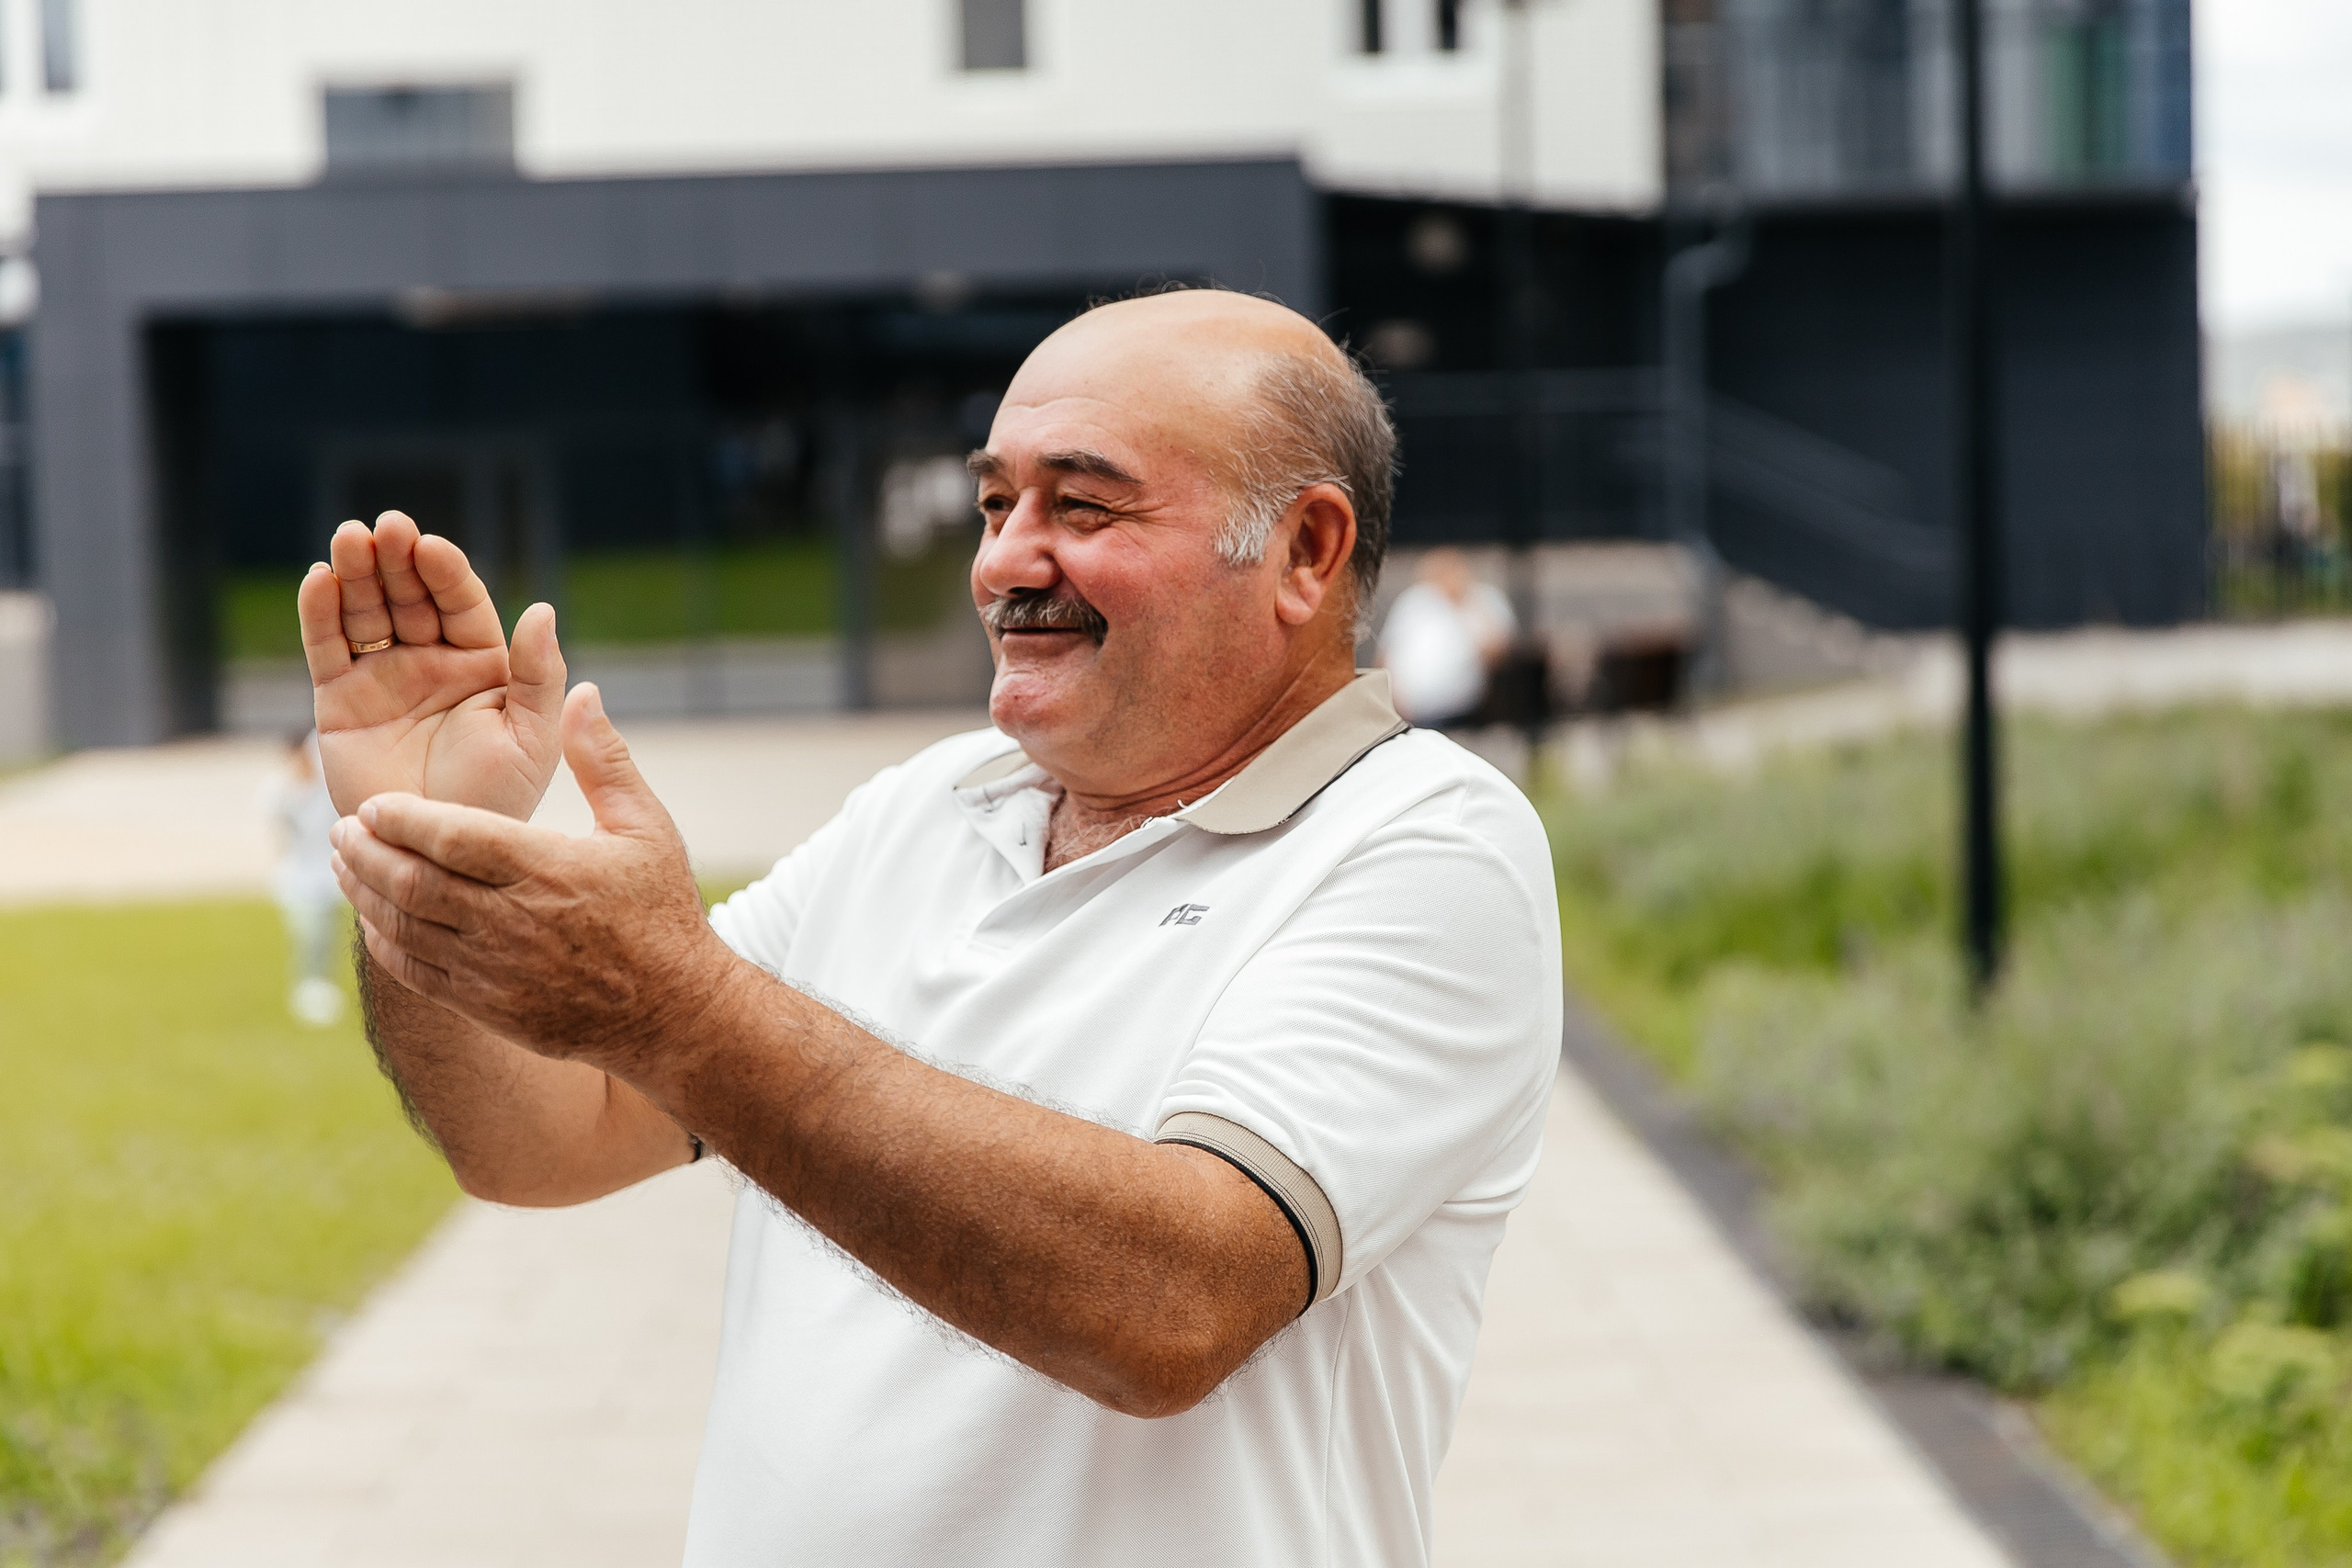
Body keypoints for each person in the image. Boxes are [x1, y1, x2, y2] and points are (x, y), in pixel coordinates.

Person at [299, 289, 1560, 1567]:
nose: (1004, 562)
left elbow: (1174, 1303)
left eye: (1083, 506)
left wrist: (674, 1005)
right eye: (995, 503)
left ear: (1305, 550)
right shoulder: (928, 803)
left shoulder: (1424, 844)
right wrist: (425, 843)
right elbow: (546, 1141)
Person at [1378, 546, 1517, 728]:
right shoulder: (1415, 599)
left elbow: (1498, 653)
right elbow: (1385, 654)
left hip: (1460, 714)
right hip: (1409, 714)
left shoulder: (1483, 599)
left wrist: (1462, 603)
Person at [262, 727, 345, 1026]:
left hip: (329, 872)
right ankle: (307, 987)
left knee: (328, 937)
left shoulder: (328, 787)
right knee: (308, 934)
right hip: (299, 875)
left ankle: (321, 986)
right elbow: (279, 834)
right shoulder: (280, 791)